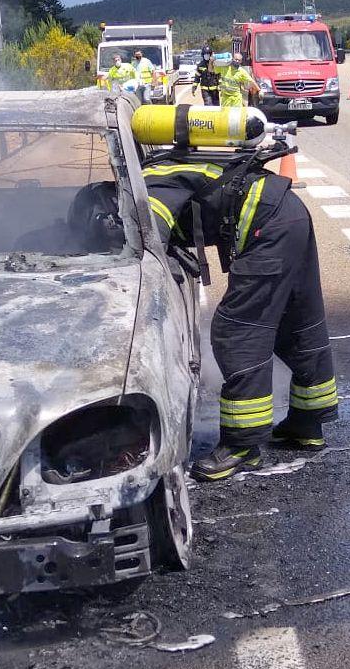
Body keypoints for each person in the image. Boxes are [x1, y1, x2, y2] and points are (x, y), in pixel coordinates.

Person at [139, 123, 339, 481]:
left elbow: (147, 241)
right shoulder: (163, 168)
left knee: (237, 331)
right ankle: (308, 424)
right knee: (298, 321)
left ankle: (241, 447)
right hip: (289, 214)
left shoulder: (150, 187)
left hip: (269, 229)